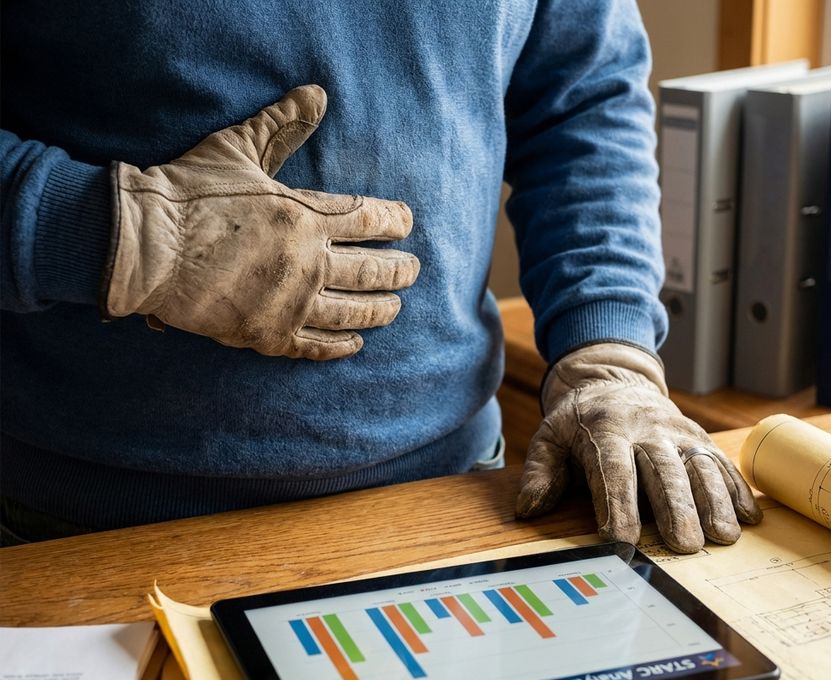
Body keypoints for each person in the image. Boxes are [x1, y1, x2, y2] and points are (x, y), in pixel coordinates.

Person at [0, 0, 759, 550]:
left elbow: (580, 103)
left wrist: (608, 357)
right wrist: (117, 234)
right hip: (77, 525)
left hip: (459, 502)